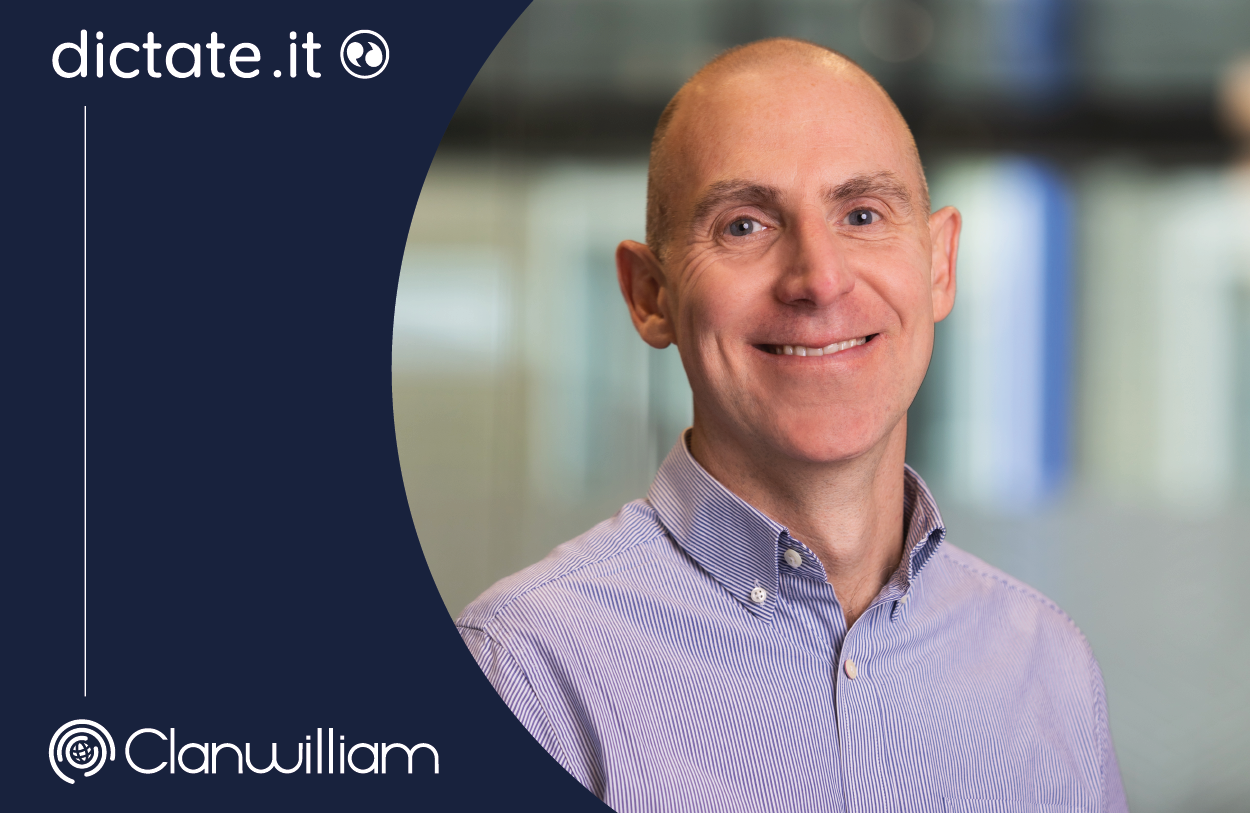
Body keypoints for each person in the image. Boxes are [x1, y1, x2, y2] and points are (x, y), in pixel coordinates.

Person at [457, 38, 1127, 812]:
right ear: (649, 294)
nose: (819, 278)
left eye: (863, 213)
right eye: (745, 225)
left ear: (939, 264)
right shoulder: (532, 674)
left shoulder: (1049, 670)